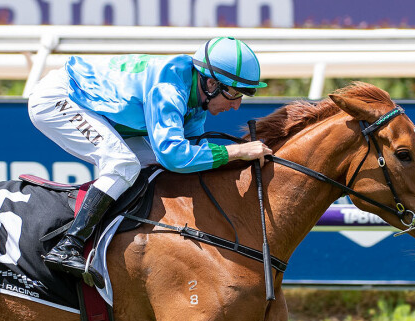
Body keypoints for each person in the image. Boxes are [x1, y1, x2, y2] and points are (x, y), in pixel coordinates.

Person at [28, 36, 274, 280]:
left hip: (89, 104)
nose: (237, 105)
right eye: (234, 93)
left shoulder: (196, 98)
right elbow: (174, 156)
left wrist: (238, 158)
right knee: (123, 164)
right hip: (59, 98)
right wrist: (236, 152)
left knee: (149, 165)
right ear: (211, 84)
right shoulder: (169, 89)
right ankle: (68, 245)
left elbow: (192, 152)